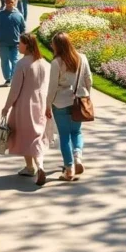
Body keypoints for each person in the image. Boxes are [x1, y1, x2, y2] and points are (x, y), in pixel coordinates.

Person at [2, 33, 50, 186]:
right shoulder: (43, 63)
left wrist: (6, 107)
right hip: (40, 102)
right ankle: (35, 167)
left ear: (27, 45)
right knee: (36, 136)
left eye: (20, 43)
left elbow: (15, 89)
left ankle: (34, 166)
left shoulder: (22, 64)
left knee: (26, 136)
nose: (18, 45)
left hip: (25, 104)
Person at [45, 32, 93, 182]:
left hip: (60, 102)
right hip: (78, 100)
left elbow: (52, 87)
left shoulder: (56, 62)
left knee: (64, 136)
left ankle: (69, 168)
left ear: (57, 46)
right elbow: (89, 79)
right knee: (76, 132)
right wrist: (86, 96)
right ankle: (78, 156)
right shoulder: (82, 58)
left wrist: (47, 105)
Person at [0, 0, 26, 86]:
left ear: (14, 2)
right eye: (7, 2)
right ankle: (8, 79)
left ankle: (13, 78)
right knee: (5, 61)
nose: (9, 4)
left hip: (15, 43)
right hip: (2, 43)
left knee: (15, 61)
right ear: (5, 3)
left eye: (11, 2)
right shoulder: (0, 14)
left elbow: (23, 29)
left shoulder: (19, 15)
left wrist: (23, 40)